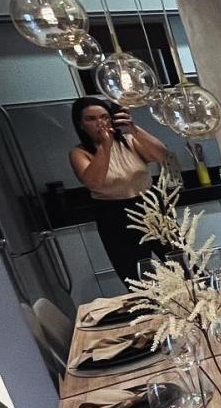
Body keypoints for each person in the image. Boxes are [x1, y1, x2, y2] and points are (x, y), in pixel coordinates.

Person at [69, 96, 173, 288]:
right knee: (138, 277)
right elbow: (94, 182)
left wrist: (133, 128)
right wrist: (105, 146)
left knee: (180, 260)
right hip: (114, 214)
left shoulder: (130, 141)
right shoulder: (80, 153)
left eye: (104, 117)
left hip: (149, 204)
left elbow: (162, 155)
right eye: (91, 119)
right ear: (81, 125)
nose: (100, 123)